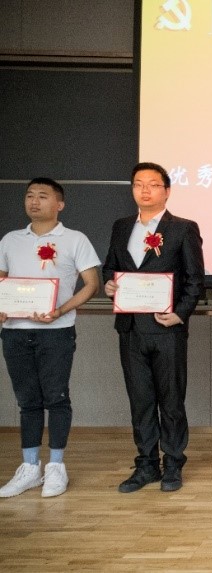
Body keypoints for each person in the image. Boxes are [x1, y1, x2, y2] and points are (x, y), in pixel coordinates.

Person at [103, 162, 204, 493]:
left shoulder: (183, 228)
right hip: (130, 327)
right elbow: (110, 268)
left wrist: (180, 314)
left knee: (171, 400)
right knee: (140, 400)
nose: (144, 190)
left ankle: (173, 462)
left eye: (153, 184)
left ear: (167, 191)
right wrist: (109, 284)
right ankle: (146, 464)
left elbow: (195, 280)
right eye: (138, 184)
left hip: (167, 328)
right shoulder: (121, 227)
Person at [0, 178, 100, 498]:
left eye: (43, 196)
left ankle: (56, 466)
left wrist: (60, 310)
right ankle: (30, 467)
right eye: (29, 195)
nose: (34, 201)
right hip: (15, 332)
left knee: (56, 398)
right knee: (27, 401)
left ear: (59, 204)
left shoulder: (75, 239)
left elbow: (91, 284)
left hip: (56, 332)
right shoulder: (10, 240)